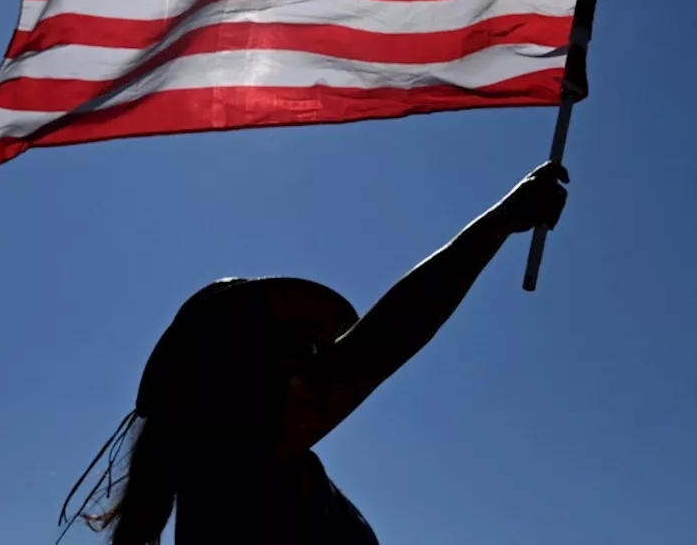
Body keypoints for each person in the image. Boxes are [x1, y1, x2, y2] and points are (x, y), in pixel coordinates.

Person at [58, 162, 570, 545]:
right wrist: (500, 221)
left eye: (310, 351)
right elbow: (387, 339)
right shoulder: (240, 467)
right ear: (227, 376)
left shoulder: (222, 476)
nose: (310, 365)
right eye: (291, 350)